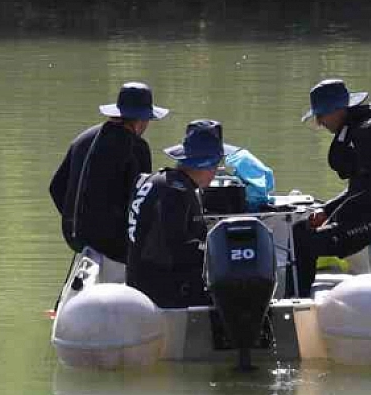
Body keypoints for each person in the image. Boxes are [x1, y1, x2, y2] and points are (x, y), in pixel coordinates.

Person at [292, 78, 371, 296]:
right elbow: (359, 187)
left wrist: (335, 220)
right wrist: (326, 210)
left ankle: (300, 303)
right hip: (370, 209)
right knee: (299, 229)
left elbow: (369, 191)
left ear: (338, 110)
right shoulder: (361, 129)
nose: (320, 122)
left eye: (321, 115)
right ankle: (299, 293)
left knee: (307, 243)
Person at [49, 82, 170, 264]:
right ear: (141, 120)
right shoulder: (136, 147)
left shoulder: (84, 138)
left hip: (75, 238)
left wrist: (78, 221)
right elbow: (140, 202)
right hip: (112, 246)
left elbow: (56, 187)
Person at [126, 119, 239, 309]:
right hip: (162, 295)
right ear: (207, 164)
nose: (217, 171)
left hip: (137, 283)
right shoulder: (177, 192)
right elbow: (178, 250)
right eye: (217, 163)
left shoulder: (155, 180)